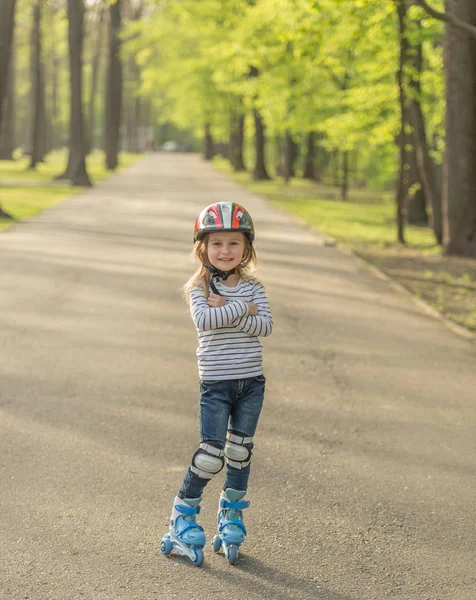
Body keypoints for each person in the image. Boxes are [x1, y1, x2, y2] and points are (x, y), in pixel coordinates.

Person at [160, 201, 273, 566]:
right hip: (216, 385)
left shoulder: (254, 287)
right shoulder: (197, 287)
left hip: (251, 383)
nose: (225, 251)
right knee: (211, 455)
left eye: (234, 243)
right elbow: (206, 321)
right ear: (203, 248)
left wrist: (228, 306)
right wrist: (242, 310)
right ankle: (183, 516)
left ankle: (231, 515)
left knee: (240, 452)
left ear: (247, 248)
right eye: (217, 244)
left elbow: (265, 327)